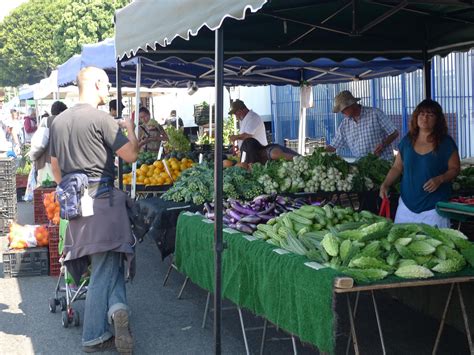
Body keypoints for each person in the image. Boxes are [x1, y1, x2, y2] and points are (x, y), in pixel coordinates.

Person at [49, 67, 139, 354]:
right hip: (105, 204)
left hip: (76, 205)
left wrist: (73, 191)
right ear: (97, 83)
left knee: (107, 264)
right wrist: (131, 129)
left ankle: (118, 309)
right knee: (103, 268)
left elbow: (55, 168)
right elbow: (131, 155)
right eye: (108, 84)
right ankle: (94, 335)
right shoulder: (102, 119)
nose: (109, 89)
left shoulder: (59, 121)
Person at [379, 99, 460, 227]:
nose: (425, 118)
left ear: (437, 120)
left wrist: (440, 179)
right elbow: (397, 167)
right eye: (421, 114)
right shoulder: (407, 141)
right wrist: (385, 184)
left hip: (433, 208)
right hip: (406, 206)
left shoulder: (446, 142)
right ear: (416, 117)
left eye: (430, 115)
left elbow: (455, 169)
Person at [327, 90, 399, 160]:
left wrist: (383, 145)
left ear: (352, 104)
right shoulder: (344, 125)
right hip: (362, 165)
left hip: (383, 162)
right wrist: (319, 152)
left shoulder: (375, 113)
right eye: (341, 110)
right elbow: (334, 145)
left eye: (344, 109)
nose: (342, 112)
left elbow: (394, 133)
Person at [29, 101, 68, 186]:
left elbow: (38, 144)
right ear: (62, 112)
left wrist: (33, 157)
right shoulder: (67, 122)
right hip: (63, 165)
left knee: (46, 192)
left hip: (45, 163)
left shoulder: (46, 121)